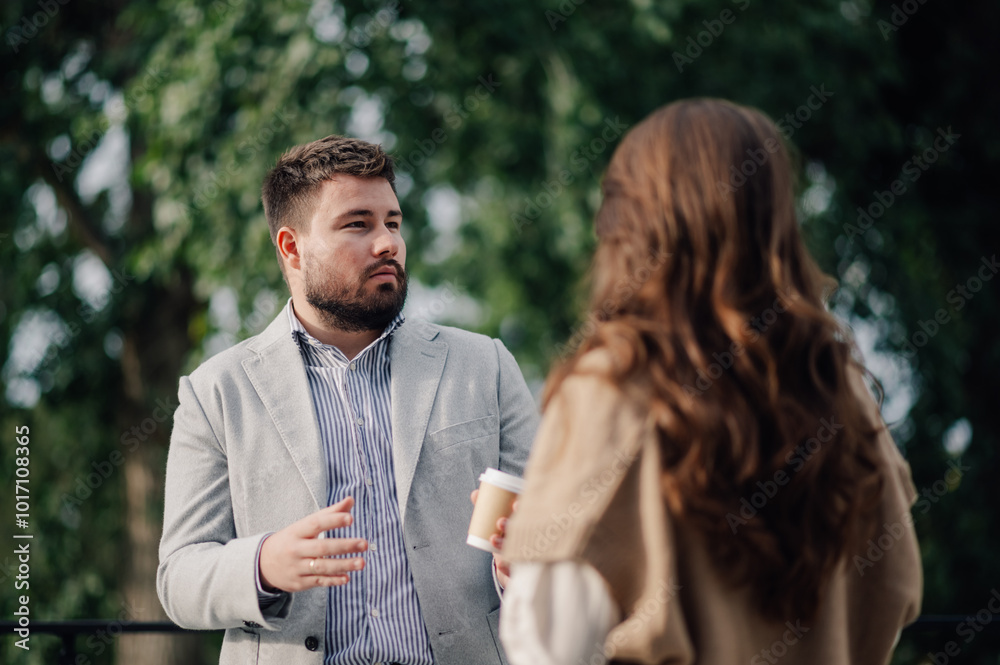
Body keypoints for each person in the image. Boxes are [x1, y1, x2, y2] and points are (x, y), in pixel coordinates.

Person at [499, 99, 922, 665]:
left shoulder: (613, 383)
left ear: (632, 219)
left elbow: (551, 644)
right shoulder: (838, 383)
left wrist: (536, 553)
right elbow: (892, 598)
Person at [157, 135, 538, 665]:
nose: (387, 243)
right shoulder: (216, 393)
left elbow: (556, 526)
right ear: (291, 248)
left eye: (393, 223)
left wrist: (531, 555)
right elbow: (178, 577)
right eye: (358, 224)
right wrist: (264, 564)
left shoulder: (486, 366)